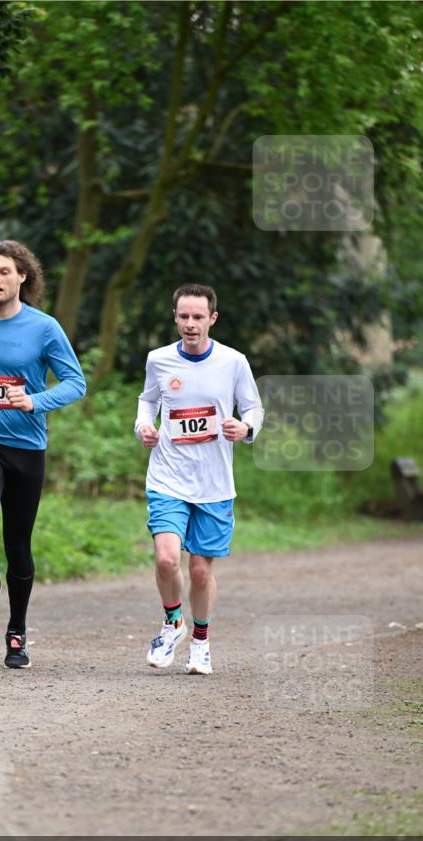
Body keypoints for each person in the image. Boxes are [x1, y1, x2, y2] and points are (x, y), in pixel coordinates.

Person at [0, 239, 86, 668]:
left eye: (4, 272)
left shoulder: (44, 327)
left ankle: (17, 633)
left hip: (27, 447)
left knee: (19, 544)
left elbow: (75, 382)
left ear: (22, 276)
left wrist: (35, 401)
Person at [135, 283, 263, 676]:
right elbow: (148, 401)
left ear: (212, 318)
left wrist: (244, 428)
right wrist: (144, 426)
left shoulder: (233, 361)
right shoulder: (158, 360)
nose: (190, 324)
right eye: (184, 317)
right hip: (168, 477)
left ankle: (201, 642)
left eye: (198, 317)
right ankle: (173, 622)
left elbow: (255, 407)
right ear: (175, 318)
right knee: (167, 558)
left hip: (214, 484)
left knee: (200, 571)